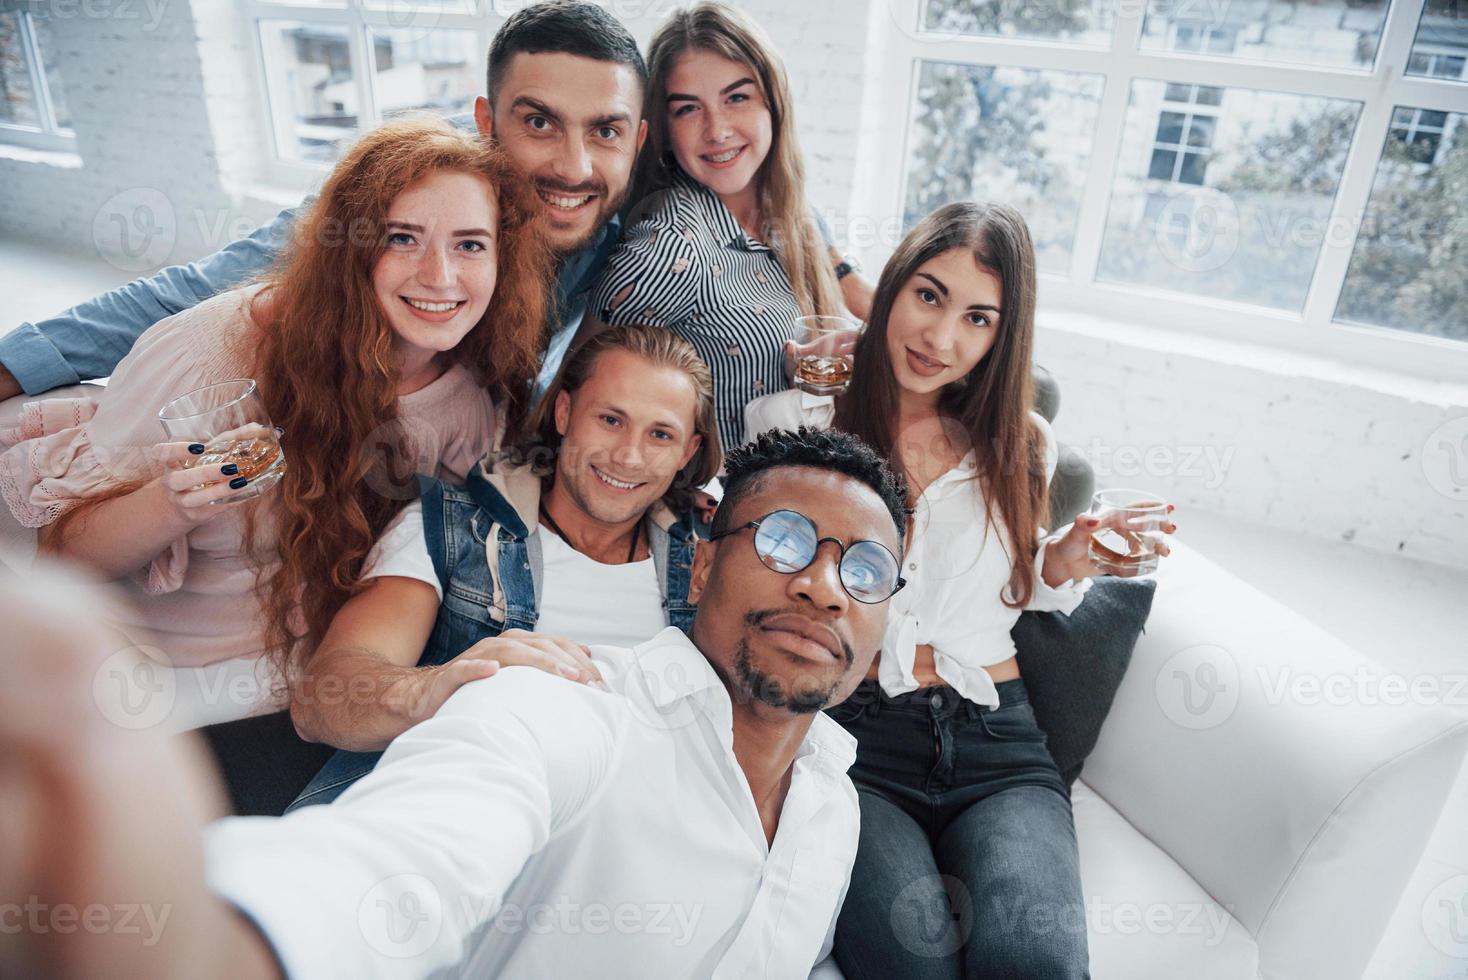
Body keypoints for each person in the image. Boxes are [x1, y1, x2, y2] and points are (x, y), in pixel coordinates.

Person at [0, 426, 910, 980]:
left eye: (865, 570)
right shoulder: (562, 707)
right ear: (704, 561)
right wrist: (201, 945)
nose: (826, 586)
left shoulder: (834, 807)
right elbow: (402, 863)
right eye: (786, 540)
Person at [0, 0, 870, 407]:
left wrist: (872, 313)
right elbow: (196, 287)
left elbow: (779, 209)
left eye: (605, 130)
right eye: (538, 124)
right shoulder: (411, 188)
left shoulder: (647, 184)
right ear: (491, 122)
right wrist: (17, 367)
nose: (572, 164)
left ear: (638, 139)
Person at [0, 118, 551, 737]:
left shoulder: (466, 404)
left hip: (292, 686)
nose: (440, 276)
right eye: (402, 238)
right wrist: (171, 503)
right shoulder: (208, 356)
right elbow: (63, 560)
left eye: (470, 245)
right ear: (351, 251)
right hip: (131, 676)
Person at [745, 203, 1178, 980]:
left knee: (1036, 966)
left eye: (978, 318)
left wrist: (1066, 560)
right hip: (855, 744)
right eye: (928, 295)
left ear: (1000, 338)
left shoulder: (1022, 444)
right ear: (893, 287)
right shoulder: (801, 422)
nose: (941, 338)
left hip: (998, 745)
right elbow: (753, 572)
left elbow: (1014, 589)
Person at [286, 324, 720, 808]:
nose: (628, 456)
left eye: (660, 434)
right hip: (454, 815)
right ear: (564, 411)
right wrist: (441, 686)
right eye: (611, 420)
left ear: (688, 453)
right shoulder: (451, 527)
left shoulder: (709, 564)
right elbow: (322, 698)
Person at [587, 2, 872, 451]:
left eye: (737, 97)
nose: (717, 130)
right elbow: (576, 397)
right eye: (687, 109)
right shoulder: (669, 245)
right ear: (663, 126)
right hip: (712, 508)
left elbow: (863, 296)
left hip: (796, 485)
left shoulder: (792, 211)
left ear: (773, 103)